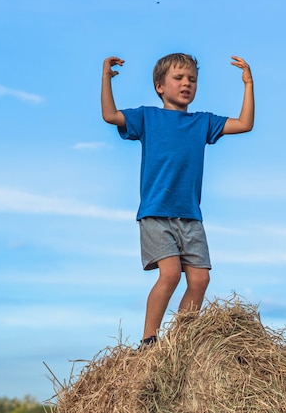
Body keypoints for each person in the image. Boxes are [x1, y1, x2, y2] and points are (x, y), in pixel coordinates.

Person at [101, 53, 254, 347]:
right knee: (169, 274)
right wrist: (106, 78)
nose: (186, 84)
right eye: (179, 78)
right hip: (157, 212)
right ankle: (149, 341)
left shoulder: (203, 123)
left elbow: (245, 124)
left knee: (200, 280)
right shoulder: (147, 117)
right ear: (160, 86)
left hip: (190, 216)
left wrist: (248, 84)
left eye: (192, 80)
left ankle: (181, 345)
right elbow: (110, 115)